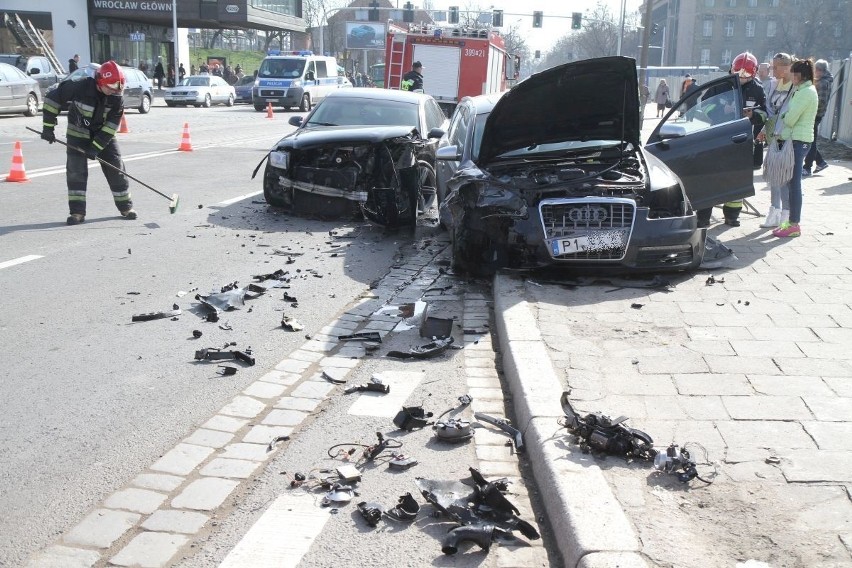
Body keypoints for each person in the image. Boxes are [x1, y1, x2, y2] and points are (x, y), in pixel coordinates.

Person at [40, 60, 136, 225]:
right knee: (76, 173)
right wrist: (48, 128)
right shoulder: (78, 86)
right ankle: (77, 213)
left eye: (118, 87)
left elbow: (111, 126)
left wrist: (95, 148)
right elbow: (51, 100)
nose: (114, 91)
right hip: (77, 134)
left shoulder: (116, 98)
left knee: (116, 169)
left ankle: (126, 207)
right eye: (111, 87)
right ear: (100, 81)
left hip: (103, 137)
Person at [770, 59, 817, 238]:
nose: (792, 77)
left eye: (794, 74)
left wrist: (784, 114)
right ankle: (790, 222)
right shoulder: (804, 90)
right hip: (798, 140)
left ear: (800, 75)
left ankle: (794, 224)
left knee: (794, 184)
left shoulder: (805, 93)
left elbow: (790, 119)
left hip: (799, 141)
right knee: (791, 182)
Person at [758, 52, 795, 229]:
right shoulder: (774, 84)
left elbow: (789, 113)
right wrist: (764, 129)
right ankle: (774, 211)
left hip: (787, 136)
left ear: (787, 66)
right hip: (774, 136)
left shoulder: (795, 87)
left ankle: (785, 215)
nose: (773, 70)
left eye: (776, 67)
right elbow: (771, 111)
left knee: (784, 178)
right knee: (773, 176)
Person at [802, 59, 832, 177]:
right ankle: (820, 162)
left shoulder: (823, 83)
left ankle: (807, 167)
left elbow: (821, 102)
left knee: (810, 141)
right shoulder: (821, 81)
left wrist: (811, 113)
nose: (815, 72)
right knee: (810, 140)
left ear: (821, 70)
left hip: (815, 115)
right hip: (814, 114)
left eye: (816, 70)